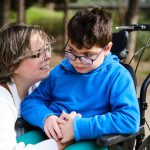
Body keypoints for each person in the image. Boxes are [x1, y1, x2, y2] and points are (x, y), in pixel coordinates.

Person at [21, 6, 140, 149]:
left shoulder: (117, 76)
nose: (77, 60)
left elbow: (129, 119)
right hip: (52, 131)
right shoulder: (61, 71)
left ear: (107, 49)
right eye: (71, 51)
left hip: (92, 139)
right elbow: (31, 101)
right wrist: (46, 117)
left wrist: (77, 128)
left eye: (88, 55)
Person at [0, 23, 58, 150]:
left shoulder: (38, 86)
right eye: (38, 54)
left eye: (46, 48)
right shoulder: (2, 101)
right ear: (12, 66)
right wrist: (58, 144)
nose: (48, 56)